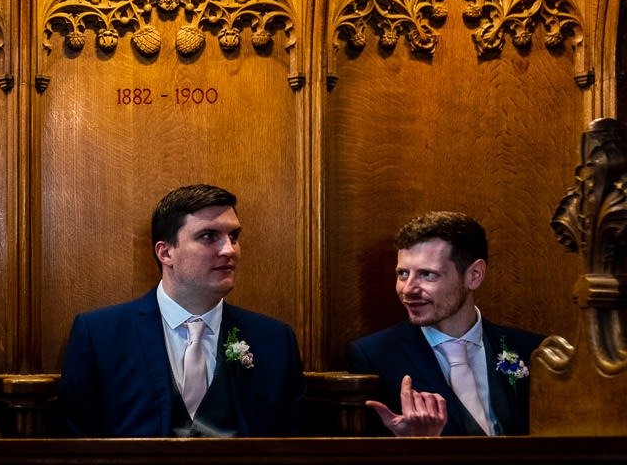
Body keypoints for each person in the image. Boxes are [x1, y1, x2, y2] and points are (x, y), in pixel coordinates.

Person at [58, 184, 304, 437]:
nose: (229, 250)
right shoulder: (99, 335)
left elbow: (290, 445)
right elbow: (77, 445)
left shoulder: (274, 340)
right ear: (165, 253)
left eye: (233, 236)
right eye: (209, 236)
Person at [347, 211, 544, 436]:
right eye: (403, 274)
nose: (408, 289)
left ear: (474, 275)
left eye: (428, 275)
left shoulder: (532, 351)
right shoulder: (375, 356)